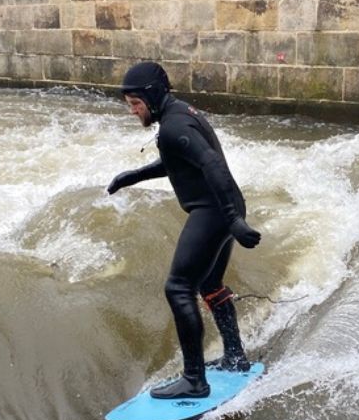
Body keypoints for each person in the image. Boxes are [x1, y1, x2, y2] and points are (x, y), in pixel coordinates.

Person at [104, 62, 262, 399]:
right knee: (209, 284)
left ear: (152, 95)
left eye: (135, 104)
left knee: (178, 288)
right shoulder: (178, 115)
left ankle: (195, 380)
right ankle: (235, 357)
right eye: (129, 105)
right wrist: (131, 176)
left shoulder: (174, 125)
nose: (132, 111)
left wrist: (233, 220)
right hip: (224, 206)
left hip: (214, 212)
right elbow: (179, 160)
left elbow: (212, 163)